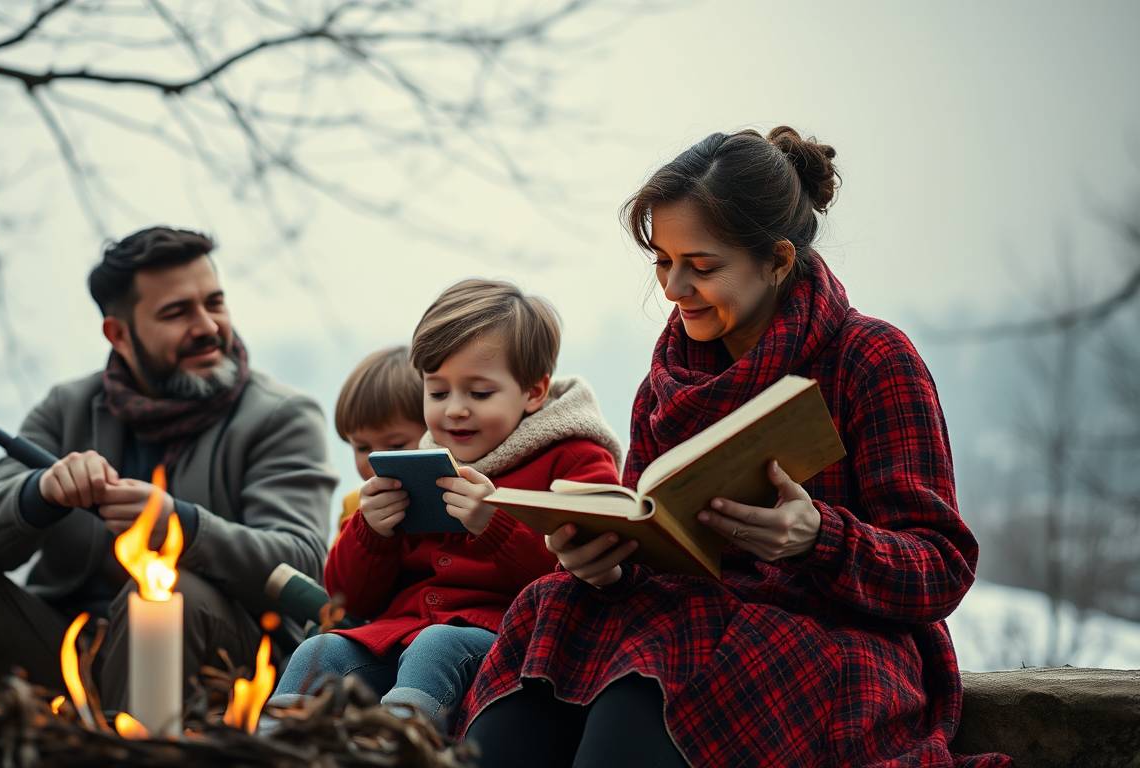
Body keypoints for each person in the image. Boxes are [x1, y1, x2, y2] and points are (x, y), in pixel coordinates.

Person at [461, 129, 1013, 767]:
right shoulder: (667, 382)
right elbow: (650, 530)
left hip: (829, 639)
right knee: (551, 619)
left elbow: (941, 567)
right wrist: (603, 559)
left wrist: (818, 539)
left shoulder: (871, 358)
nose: (673, 288)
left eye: (702, 266)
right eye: (662, 262)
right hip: (685, 624)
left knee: (643, 694)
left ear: (777, 260)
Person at [0, 226, 337, 767]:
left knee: (164, 592)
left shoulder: (282, 417)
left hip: (220, 676)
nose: (208, 327)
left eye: (215, 303)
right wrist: (39, 494)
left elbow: (303, 559)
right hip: (66, 661)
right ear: (118, 334)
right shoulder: (68, 407)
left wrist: (180, 526)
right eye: (177, 313)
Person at [269, 279, 622, 729]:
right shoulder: (416, 464)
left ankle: (399, 748)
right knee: (321, 651)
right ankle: (274, 747)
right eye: (438, 393)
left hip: (509, 640)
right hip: (397, 634)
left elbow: (584, 574)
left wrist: (493, 526)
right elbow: (349, 598)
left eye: (479, 394)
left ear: (533, 392)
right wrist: (370, 532)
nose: (454, 410)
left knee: (437, 644)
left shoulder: (573, 456)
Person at [330, 345, 426, 547]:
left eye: (396, 446)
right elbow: (336, 578)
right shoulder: (354, 507)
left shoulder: (456, 499)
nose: (375, 460)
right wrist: (368, 532)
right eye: (362, 448)